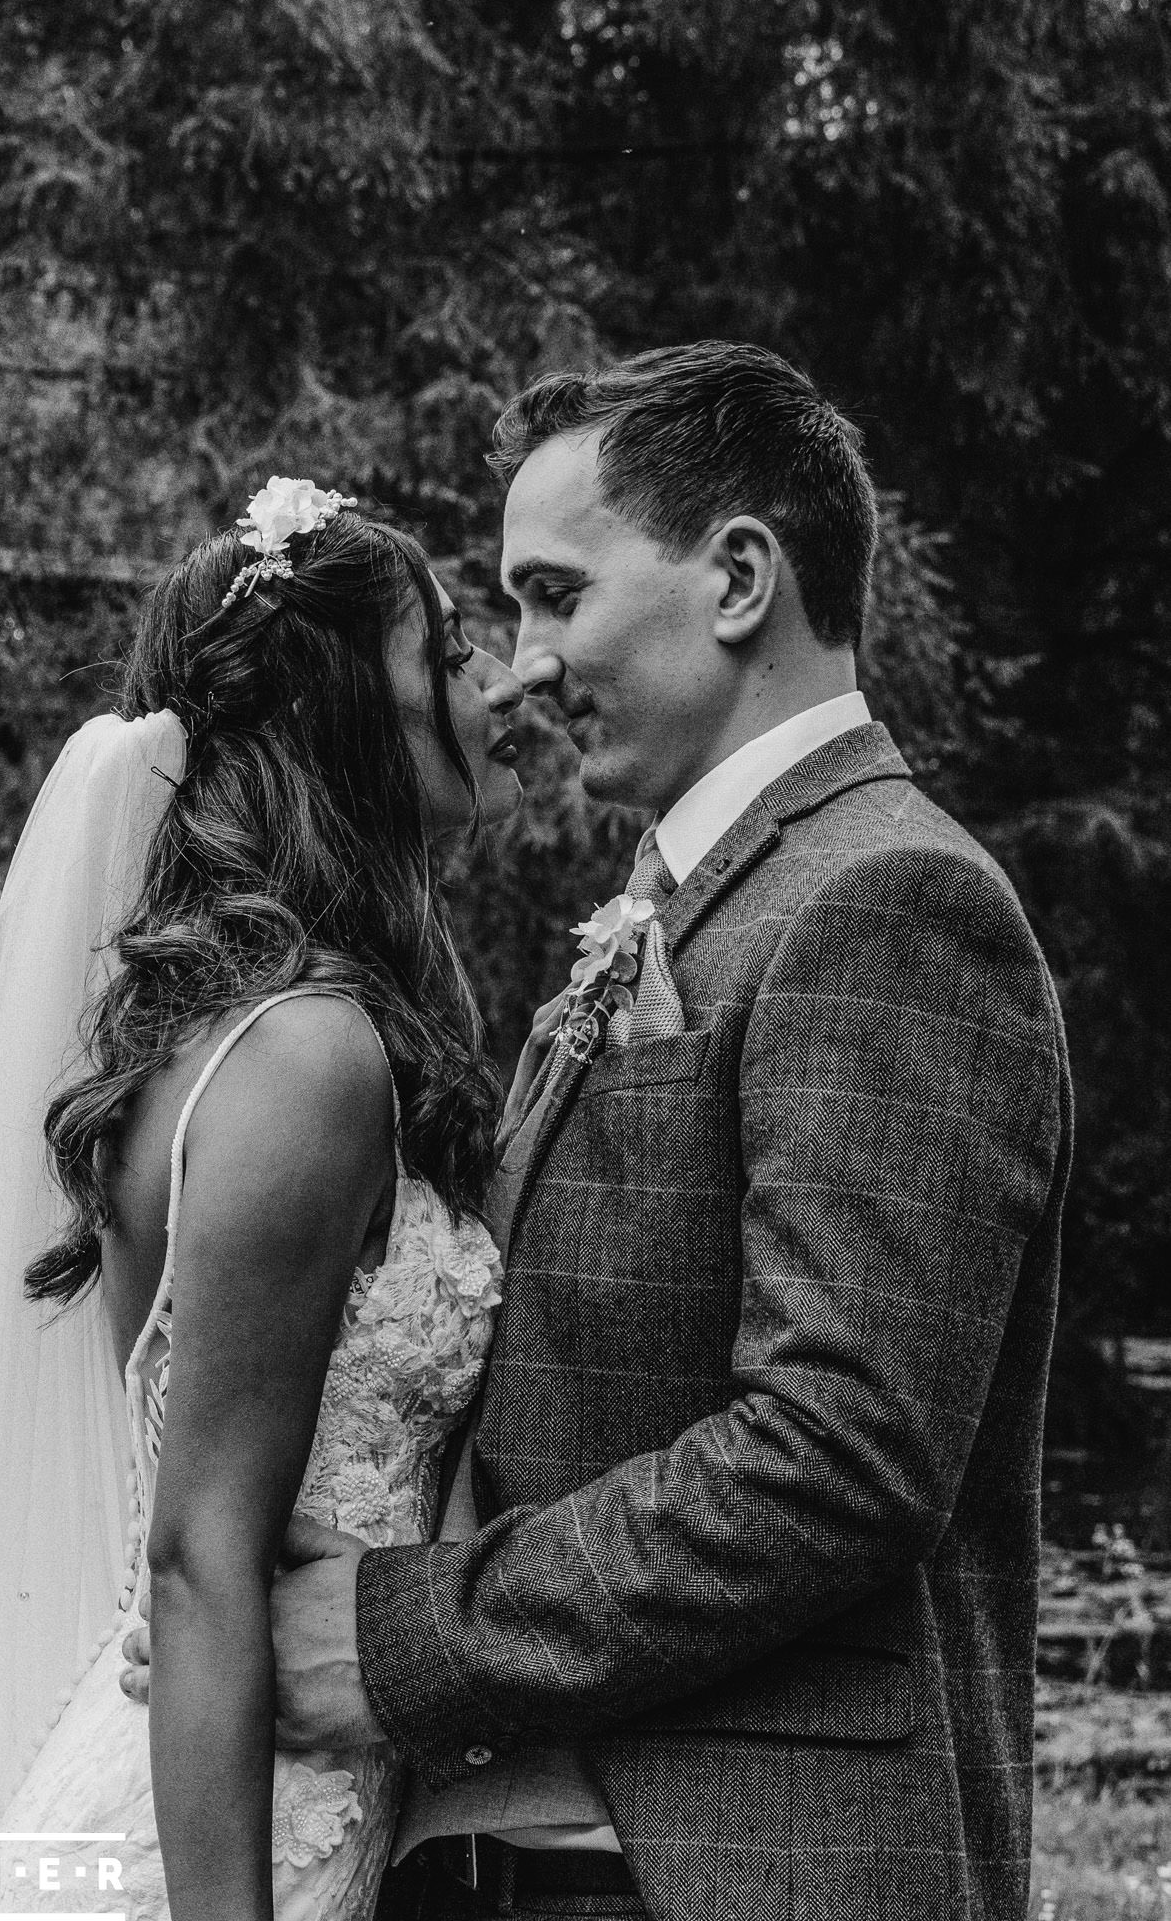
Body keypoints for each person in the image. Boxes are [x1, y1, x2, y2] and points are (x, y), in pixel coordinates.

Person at [124, 345, 1073, 1921]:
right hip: (536, 1850)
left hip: (729, 1866)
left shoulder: (888, 902)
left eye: (554, 594)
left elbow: (838, 1454)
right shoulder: (699, 901)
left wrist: (403, 1639)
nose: (521, 664)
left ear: (739, 578)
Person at [0, 481, 524, 1921]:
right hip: (225, 1832)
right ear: (345, 715)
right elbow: (201, 1555)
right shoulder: (306, 1056)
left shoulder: (231, 1033)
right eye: (449, 653)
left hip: (271, 1775)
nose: (495, 681)